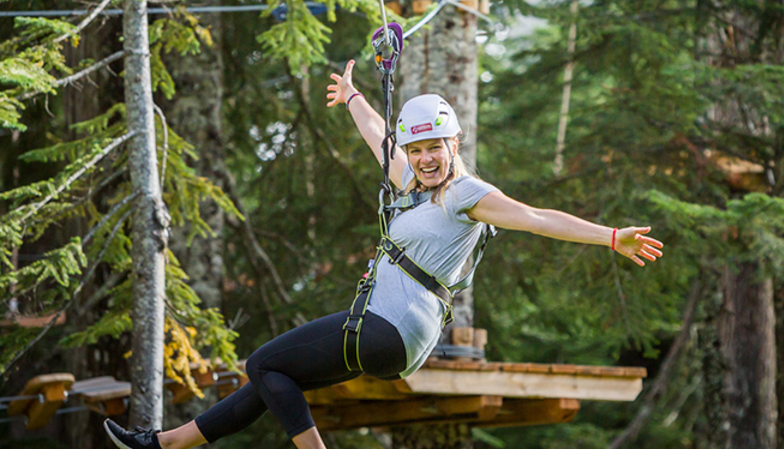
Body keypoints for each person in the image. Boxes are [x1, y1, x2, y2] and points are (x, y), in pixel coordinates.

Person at [103, 59, 664, 449]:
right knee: (272, 381)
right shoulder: (412, 184)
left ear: (454, 145)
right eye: (417, 150)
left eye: (434, 148)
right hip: (391, 336)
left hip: (389, 327)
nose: (425, 159)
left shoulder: (465, 194)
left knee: (263, 364)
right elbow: (377, 134)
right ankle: (165, 444)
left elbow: (537, 218)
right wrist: (353, 96)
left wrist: (611, 236)